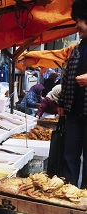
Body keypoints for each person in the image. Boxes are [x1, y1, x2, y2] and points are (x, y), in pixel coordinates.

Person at [57, 0, 87, 189]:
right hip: (74, 113)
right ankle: (67, 195)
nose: (76, 26)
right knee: (70, 157)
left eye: (79, 20)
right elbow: (66, 77)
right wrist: (61, 102)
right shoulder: (77, 49)